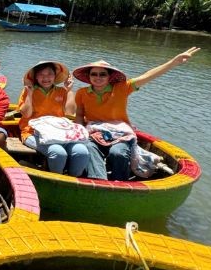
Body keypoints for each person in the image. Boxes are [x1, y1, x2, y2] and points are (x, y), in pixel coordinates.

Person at [74, 48, 200, 181]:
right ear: (89, 76)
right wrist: (79, 132)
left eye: (102, 74)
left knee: (117, 153)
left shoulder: (122, 88)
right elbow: (79, 115)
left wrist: (174, 62)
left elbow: (148, 76)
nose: (98, 77)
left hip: (121, 133)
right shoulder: (82, 93)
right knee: (88, 147)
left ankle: (120, 183)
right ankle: (99, 180)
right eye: (94, 74)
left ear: (109, 77)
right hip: (94, 132)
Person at [17, 61, 89, 177]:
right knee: (58, 152)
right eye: (41, 74)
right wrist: (30, 93)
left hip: (59, 133)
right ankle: (56, 179)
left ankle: (73, 180)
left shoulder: (62, 91)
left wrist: (69, 90)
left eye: (49, 74)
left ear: (55, 76)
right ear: (35, 77)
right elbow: (26, 115)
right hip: (32, 133)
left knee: (82, 151)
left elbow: (70, 112)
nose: (46, 78)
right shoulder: (28, 90)